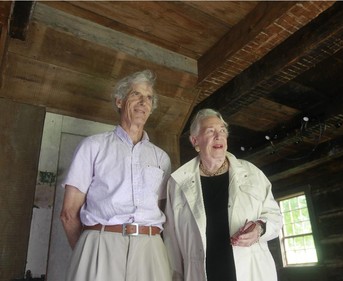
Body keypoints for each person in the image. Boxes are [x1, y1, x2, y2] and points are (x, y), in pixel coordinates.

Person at [60, 70, 172, 281]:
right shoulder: (93, 146)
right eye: (135, 94)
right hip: (101, 242)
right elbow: (68, 214)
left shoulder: (162, 158)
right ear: (120, 101)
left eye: (148, 97)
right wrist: (87, 251)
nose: (143, 102)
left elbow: (166, 211)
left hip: (151, 248)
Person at [163, 108, 283, 281]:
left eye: (222, 131)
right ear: (195, 140)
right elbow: (171, 239)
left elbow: (275, 217)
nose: (218, 136)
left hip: (250, 272)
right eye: (210, 131)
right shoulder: (177, 184)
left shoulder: (252, 173)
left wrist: (259, 228)